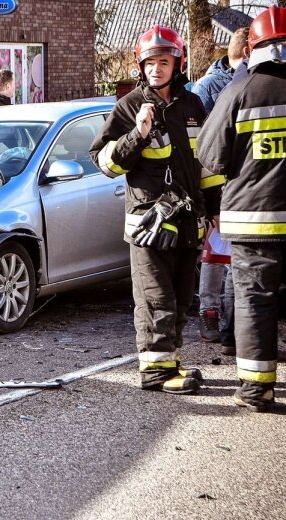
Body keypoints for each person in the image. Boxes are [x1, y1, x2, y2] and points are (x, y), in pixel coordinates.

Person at [89, 25, 221, 395]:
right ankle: (155, 373)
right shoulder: (129, 107)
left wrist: (215, 209)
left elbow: (206, 165)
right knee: (155, 299)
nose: (156, 69)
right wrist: (137, 133)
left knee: (180, 298)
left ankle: (171, 363)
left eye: (164, 62)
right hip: (149, 225)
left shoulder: (193, 106)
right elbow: (105, 164)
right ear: (140, 66)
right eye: (150, 63)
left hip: (187, 222)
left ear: (177, 63)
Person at [197, 6, 286, 412]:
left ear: (254, 47)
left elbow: (212, 157)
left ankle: (256, 390)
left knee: (255, 300)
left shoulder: (239, 90)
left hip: (254, 222)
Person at [191, 27, 250, 344]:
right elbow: (201, 144)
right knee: (215, 254)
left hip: (242, 181)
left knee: (232, 255)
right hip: (222, 183)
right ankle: (210, 314)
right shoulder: (209, 87)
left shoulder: (246, 78)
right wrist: (211, 199)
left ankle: (230, 321)